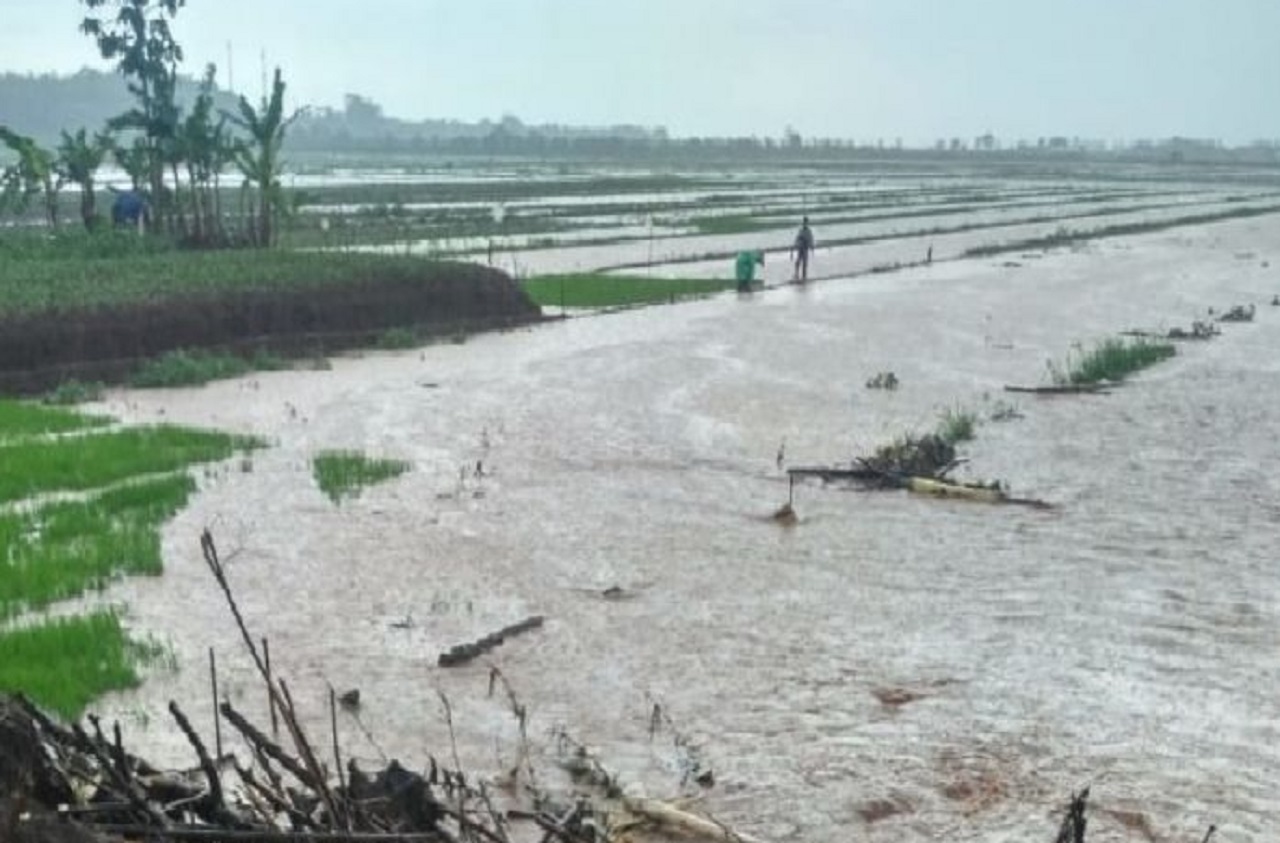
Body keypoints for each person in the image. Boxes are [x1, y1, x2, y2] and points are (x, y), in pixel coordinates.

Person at [792, 216, 815, 281]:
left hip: (805, 248)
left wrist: (812, 247)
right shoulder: (801, 230)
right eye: (804, 222)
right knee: (798, 261)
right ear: (803, 222)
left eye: (806, 222)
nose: (805, 224)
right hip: (800, 247)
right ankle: (796, 273)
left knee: (804, 262)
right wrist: (795, 245)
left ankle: (804, 275)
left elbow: (811, 239)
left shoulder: (808, 231)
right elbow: (797, 238)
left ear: (807, 223)